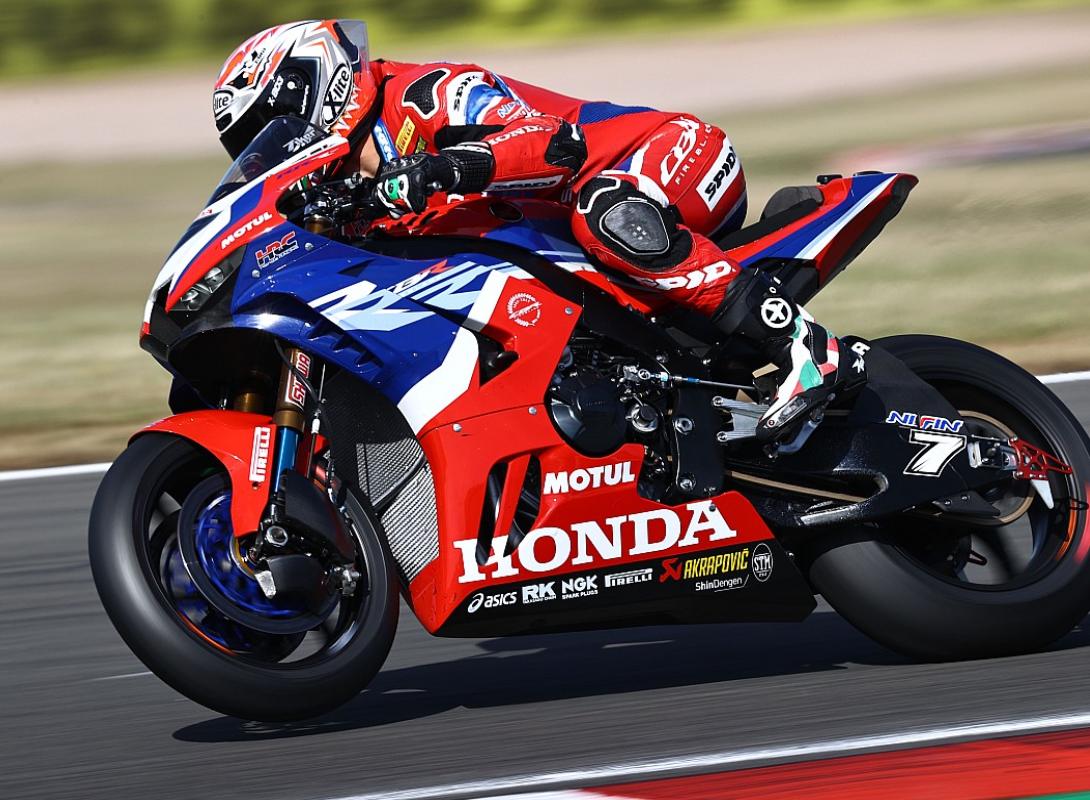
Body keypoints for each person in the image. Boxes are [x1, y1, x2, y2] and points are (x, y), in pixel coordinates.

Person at [211, 19, 846, 444]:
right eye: (251, 146)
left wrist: (441, 167)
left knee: (604, 208)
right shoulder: (352, 199)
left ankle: (803, 344)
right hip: (566, 255)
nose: (272, 147)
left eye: (271, 126)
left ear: (313, 88)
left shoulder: (427, 91)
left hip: (664, 155)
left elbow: (551, 144)